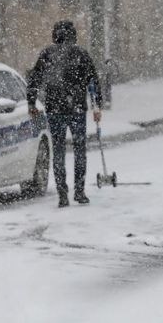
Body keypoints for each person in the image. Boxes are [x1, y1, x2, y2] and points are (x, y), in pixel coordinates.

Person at [27, 21, 103, 207]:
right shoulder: (81, 54)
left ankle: (62, 192)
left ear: (55, 35)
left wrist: (31, 102)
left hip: (55, 109)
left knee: (58, 151)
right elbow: (93, 80)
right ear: (73, 35)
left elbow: (35, 79)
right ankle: (79, 191)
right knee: (79, 151)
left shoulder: (47, 54)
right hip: (77, 109)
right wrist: (97, 107)